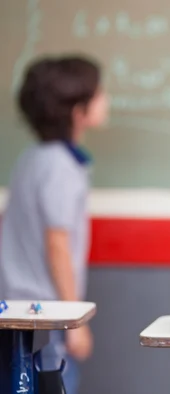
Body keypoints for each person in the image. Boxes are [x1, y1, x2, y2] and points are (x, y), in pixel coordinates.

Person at [0, 54, 109, 393]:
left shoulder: (32, 157)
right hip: (45, 319)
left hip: (17, 311)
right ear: (78, 112)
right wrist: (74, 322)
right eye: (98, 92)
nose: (106, 98)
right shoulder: (61, 166)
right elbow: (57, 244)